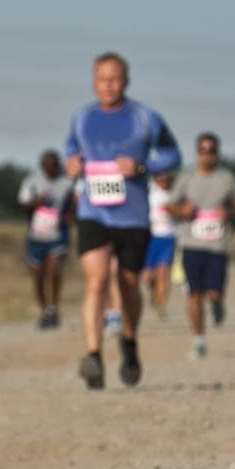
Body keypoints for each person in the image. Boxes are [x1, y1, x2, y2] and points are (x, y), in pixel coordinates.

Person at [64, 52, 181, 389]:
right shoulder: (82, 118)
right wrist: (71, 163)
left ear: (126, 82)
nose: (108, 85)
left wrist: (144, 167)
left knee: (128, 285)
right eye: (102, 79)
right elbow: (70, 150)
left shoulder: (146, 118)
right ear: (93, 81)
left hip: (132, 217)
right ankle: (93, 356)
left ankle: (129, 342)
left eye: (115, 79)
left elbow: (173, 155)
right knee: (97, 281)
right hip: (93, 213)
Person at [167, 133, 235, 359]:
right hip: (191, 242)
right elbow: (169, 205)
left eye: (212, 150)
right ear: (197, 152)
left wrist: (228, 212)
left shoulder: (227, 178)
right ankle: (199, 340)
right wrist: (182, 212)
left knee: (213, 292)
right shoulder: (187, 178)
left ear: (217, 153)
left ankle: (218, 304)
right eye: (203, 150)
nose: (207, 155)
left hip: (217, 246)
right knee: (194, 294)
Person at [17, 149, 74, 329]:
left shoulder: (67, 183)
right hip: (36, 236)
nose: (51, 169)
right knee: (38, 275)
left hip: (58, 235)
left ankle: (54, 307)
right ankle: (44, 310)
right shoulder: (31, 182)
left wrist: (70, 217)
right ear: (42, 166)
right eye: (48, 166)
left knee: (54, 270)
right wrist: (36, 202)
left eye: (54, 166)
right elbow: (23, 205)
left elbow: (75, 205)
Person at [141, 172, 178, 319]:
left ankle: (161, 306)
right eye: (161, 177)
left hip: (168, 238)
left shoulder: (174, 194)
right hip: (150, 237)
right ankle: (152, 290)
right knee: (149, 276)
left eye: (166, 177)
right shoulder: (149, 192)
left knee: (164, 273)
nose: (164, 180)